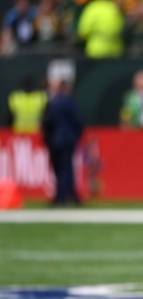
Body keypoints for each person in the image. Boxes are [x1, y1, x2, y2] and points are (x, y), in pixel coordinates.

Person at [42, 77, 83, 205]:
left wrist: (48, 139)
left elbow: (47, 123)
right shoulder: (70, 102)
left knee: (59, 169)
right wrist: (76, 136)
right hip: (68, 139)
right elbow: (78, 122)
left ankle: (61, 196)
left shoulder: (53, 102)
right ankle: (69, 195)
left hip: (55, 140)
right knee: (67, 168)